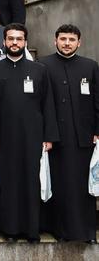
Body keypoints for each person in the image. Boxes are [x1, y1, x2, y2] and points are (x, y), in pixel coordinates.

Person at [0, 23, 58, 242]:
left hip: (33, 135)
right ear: (4, 42)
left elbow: (48, 104)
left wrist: (49, 136)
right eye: (10, 39)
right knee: (8, 181)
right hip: (4, 136)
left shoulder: (39, 70)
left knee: (31, 180)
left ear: (25, 42)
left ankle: (32, 230)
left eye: (19, 39)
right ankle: (9, 230)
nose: (15, 43)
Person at [39, 24, 99, 244]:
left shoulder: (90, 66)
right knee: (60, 184)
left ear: (79, 42)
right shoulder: (43, 65)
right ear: (55, 41)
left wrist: (98, 132)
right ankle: (61, 231)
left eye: (71, 40)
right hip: (56, 138)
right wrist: (46, 135)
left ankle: (86, 232)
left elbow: (97, 101)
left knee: (84, 186)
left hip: (84, 137)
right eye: (62, 39)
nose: (66, 43)